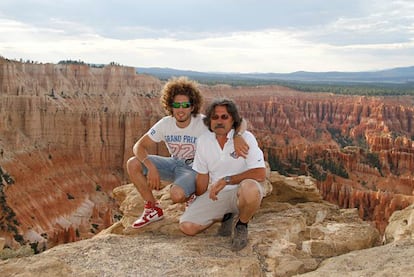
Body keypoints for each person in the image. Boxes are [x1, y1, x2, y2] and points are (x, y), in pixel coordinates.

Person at [126, 77, 249, 229]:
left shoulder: (202, 122)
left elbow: (240, 122)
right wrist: (150, 167)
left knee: (177, 195)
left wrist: (237, 136)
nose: (181, 109)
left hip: (194, 169)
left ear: (192, 107)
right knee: (133, 163)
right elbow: (139, 146)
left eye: (185, 105)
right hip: (173, 164)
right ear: (170, 106)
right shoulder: (166, 123)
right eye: (176, 105)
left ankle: (192, 195)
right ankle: (153, 209)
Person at [179, 98, 266, 251]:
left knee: (251, 188)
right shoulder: (204, 141)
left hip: (241, 191)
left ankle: (241, 224)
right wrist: (196, 198)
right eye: (215, 117)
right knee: (187, 227)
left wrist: (227, 180)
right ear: (209, 121)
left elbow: (260, 173)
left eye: (224, 117)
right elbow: (202, 176)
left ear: (233, 120)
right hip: (218, 194)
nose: (219, 121)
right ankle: (226, 215)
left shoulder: (245, 138)